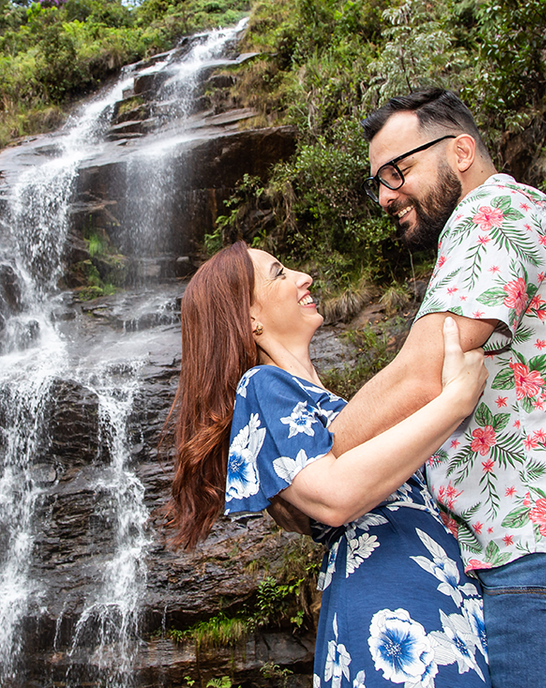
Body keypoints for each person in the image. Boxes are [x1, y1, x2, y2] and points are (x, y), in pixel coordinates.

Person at [314, 87, 546, 688]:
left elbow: (424, 370)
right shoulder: (489, 231)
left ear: (461, 151)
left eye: (398, 171)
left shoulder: (498, 211)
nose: (384, 195)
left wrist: (312, 464)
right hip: (532, 566)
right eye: (377, 181)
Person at [165, 241, 491, 688]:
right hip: (394, 616)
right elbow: (335, 497)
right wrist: (455, 401)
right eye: (279, 273)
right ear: (250, 320)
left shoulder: (329, 410)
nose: (305, 277)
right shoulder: (261, 387)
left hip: (443, 600)